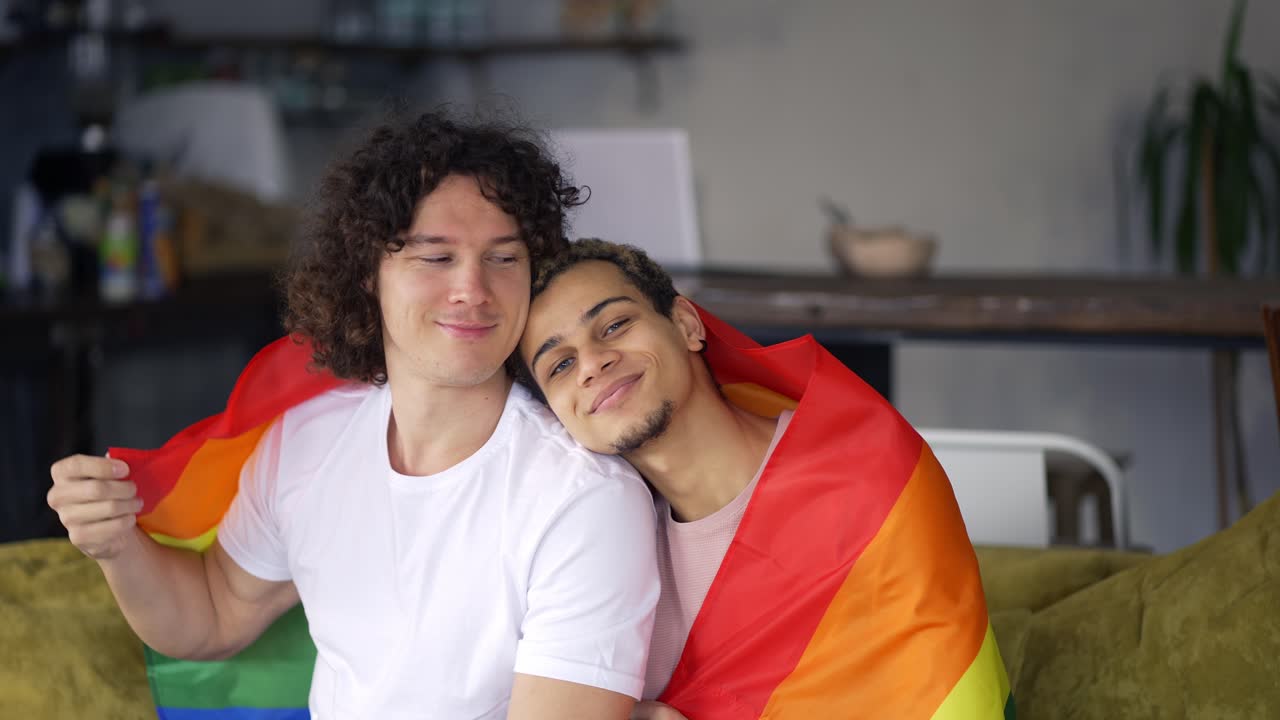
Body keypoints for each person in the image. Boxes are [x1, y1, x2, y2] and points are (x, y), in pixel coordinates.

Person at [46, 113, 661, 719]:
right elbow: (212, 614)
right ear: (369, 274)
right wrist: (116, 544)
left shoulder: (583, 497)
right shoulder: (309, 440)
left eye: (504, 258)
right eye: (435, 258)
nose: (473, 289)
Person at [516, 239, 1012, 719]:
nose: (592, 363)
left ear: (687, 324)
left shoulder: (867, 474)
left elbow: (945, 696)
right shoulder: (594, 546)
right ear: (558, 416)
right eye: (559, 364)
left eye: (615, 324)